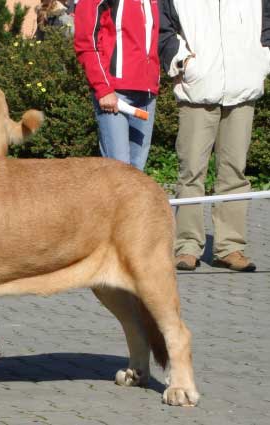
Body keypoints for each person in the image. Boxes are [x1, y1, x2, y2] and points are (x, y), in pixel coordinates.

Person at [159, 0, 269, 272]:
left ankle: (230, 247)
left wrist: (261, 62)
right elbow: (164, 30)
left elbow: (267, 29)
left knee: (234, 171)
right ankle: (187, 246)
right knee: (191, 171)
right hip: (198, 91)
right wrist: (183, 62)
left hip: (243, 89)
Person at [73, 0, 160, 171]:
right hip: (115, 92)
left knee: (137, 173)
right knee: (118, 171)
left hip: (147, 92)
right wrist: (103, 87)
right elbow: (87, 41)